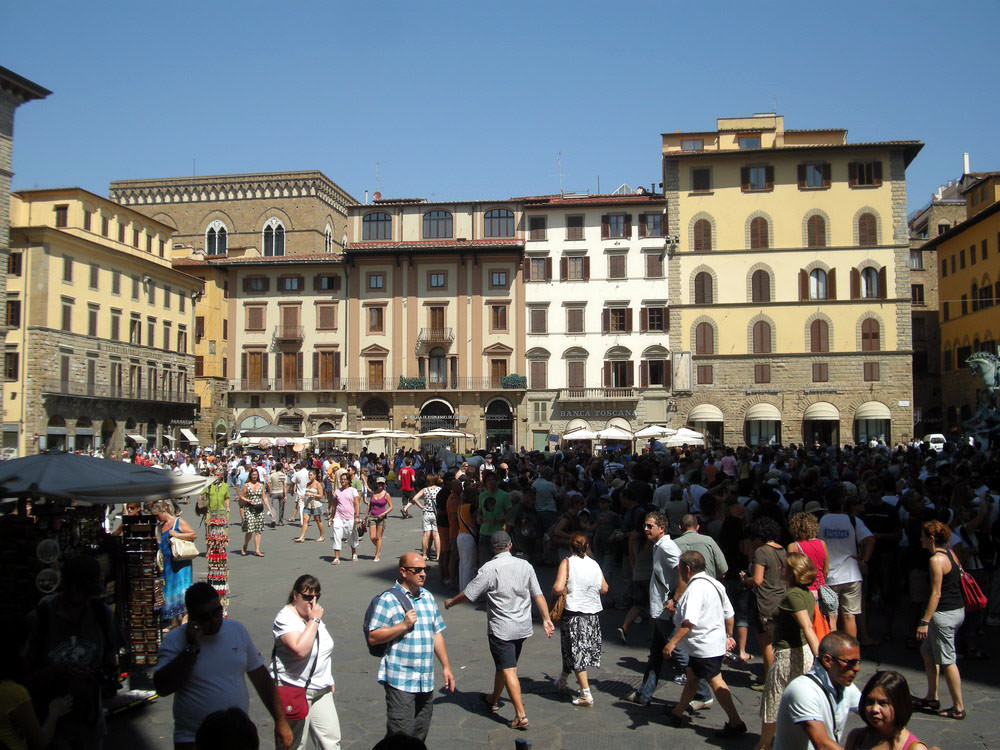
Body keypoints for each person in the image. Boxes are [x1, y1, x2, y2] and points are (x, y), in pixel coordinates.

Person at [154, 582, 293, 750]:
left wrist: (280, 720)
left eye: (217, 612)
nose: (214, 620)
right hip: (193, 740)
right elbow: (162, 687)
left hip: (236, 737)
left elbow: (261, 677)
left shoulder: (236, 631)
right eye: (206, 616)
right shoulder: (175, 641)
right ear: (191, 617)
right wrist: (191, 649)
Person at [445, 531, 554, 730]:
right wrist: (546, 618)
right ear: (510, 545)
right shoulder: (525, 565)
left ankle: (520, 715)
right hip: (522, 626)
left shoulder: (489, 568)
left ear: (492, 548)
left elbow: (469, 594)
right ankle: (493, 698)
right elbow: (538, 594)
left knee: (509, 668)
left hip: (501, 628)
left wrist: (452, 602)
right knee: (505, 665)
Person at [24, 556, 112, 750]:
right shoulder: (40, 619)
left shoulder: (100, 614)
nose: (83, 604)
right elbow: (21, 681)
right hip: (48, 726)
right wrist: (55, 671)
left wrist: (96, 675)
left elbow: (109, 667)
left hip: (89, 726)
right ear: (70, 588)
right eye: (81, 595)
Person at [366, 553, 456, 741]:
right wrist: (403, 626)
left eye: (425, 569)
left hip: (425, 679)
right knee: (400, 736)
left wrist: (446, 667)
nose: (423, 574)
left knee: (419, 734)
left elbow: (436, 633)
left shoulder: (428, 598)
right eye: (418, 570)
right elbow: (373, 636)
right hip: (401, 679)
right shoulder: (388, 600)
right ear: (403, 572)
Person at [662, 551, 747, 737]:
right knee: (692, 677)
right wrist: (728, 636)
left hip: (703, 646)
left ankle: (736, 722)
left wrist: (672, 643)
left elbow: (689, 622)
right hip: (709, 643)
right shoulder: (715, 584)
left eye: (680, 568)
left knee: (716, 681)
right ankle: (677, 712)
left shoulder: (695, 589)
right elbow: (729, 614)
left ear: (687, 569)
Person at [758, 553, 821, 750]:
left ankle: (764, 745)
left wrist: (821, 660)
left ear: (792, 572)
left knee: (773, 700)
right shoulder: (806, 593)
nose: (781, 570)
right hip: (800, 651)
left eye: (785, 567)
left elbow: (807, 627)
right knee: (795, 701)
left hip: (790, 654)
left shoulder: (793, 595)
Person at [271, 575, 340, 749]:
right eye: (307, 597)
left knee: (331, 741)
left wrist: (328, 678)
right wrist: (314, 620)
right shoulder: (285, 618)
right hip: (295, 687)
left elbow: (322, 649)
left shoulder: (310, 616)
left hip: (321, 688)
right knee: (293, 744)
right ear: (295, 595)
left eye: (317, 597)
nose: (313, 602)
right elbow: (300, 649)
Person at [773, 631, 862, 750]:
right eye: (850, 663)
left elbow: (869, 710)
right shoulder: (802, 690)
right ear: (828, 660)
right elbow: (822, 745)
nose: (857, 668)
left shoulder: (846, 687)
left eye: (858, 662)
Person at [913, 520, 966, 720]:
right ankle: (931, 696)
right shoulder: (951, 554)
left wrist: (924, 621)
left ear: (931, 539)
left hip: (944, 615)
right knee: (927, 651)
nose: (920, 539)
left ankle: (958, 707)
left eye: (923, 536)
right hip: (957, 610)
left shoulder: (936, 560)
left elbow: (935, 594)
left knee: (948, 660)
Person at [551, 532, 608, 707]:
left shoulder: (567, 562)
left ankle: (586, 693)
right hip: (591, 614)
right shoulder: (594, 564)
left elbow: (558, 587)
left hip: (574, 613)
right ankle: (563, 679)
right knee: (569, 649)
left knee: (577, 653)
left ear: (570, 547)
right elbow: (604, 588)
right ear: (587, 546)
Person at [820, 488, 874, 638]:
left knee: (831, 617)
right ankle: (852, 656)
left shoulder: (821, 521)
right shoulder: (853, 520)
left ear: (826, 503)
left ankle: (832, 654)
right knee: (850, 617)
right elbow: (869, 540)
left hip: (829, 576)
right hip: (851, 575)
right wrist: (864, 559)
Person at [845, 671, 928, 750]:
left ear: (899, 706)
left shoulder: (915, 748)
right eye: (870, 702)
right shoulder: (856, 739)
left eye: (883, 703)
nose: (874, 709)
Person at [150, 499, 197, 627]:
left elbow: (192, 534)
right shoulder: (160, 526)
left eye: (157, 514)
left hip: (180, 561)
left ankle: (186, 617)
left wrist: (176, 534)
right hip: (168, 562)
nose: (156, 517)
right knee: (170, 589)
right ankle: (174, 620)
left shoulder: (178, 521)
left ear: (163, 511)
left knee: (182, 588)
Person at [788, 511, 833, 636]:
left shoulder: (793, 546)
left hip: (803, 590)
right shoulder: (822, 543)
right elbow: (826, 570)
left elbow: (792, 572)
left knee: (806, 627)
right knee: (821, 623)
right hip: (820, 589)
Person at [476, 471, 512, 564]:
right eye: (488, 480)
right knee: (485, 563)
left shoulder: (505, 495)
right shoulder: (482, 495)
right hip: (484, 533)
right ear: (485, 483)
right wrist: (479, 518)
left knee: (500, 562)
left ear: (497, 481)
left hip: (499, 533)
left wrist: (501, 519)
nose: (491, 482)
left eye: (493, 479)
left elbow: (511, 514)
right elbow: (479, 512)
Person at [328, 472, 360, 565]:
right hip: (338, 517)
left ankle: (354, 553)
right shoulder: (337, 492)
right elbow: (334, 505)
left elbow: (357, 504)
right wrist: (332, 517)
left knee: (351, 536)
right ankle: (337, 558)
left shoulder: (353, 490)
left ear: (348, 481)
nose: (342, 481)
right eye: (341, 479)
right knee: (337, 536)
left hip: (350, 517)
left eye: (344, 479)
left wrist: (357, 516)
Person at [240, 468, 271, 556]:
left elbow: (264, 497)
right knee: (250, 529)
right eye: (253, 475)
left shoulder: (261, 485)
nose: (254, 476)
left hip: (259, 508)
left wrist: (269, 508)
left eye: (256, 475)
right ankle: (245, 545)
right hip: (249, 508)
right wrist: (249, 501)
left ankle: (257, 550)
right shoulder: (246, 485)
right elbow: (241, 496)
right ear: (250, 475)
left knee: (258, 530)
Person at [410, 474, 442, 561]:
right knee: (436, 534)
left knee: (426, 534)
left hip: (427, 513)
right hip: (436, 514)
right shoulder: (439, 489)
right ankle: (438, 555)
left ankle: (424, 554)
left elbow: (414, 498)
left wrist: (422, 507)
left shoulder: (425, 490)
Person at [455, 484, 479, 591]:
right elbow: (476, 521)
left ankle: (462, 588)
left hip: (460, 535)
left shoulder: (460, 506)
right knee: (469, 564)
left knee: (463, 563)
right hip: (469, 536)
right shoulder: (472, 507)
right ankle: (467, 591)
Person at [295, 469, 326, 544]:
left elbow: (321, 496)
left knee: (318, 520)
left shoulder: (318, 484)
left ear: (315, 476)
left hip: (316, 505)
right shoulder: (307, 484)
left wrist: (313, 495)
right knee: (305, 520)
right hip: (307, 504)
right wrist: (304, 495)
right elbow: (306, 493)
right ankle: (302, 537)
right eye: (309, 475)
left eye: (311, 475)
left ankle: (322, 536)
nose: (309, 476)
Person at [367, 476, 394, 562]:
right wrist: (366, 516)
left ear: (385, 484)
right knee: (372, 537)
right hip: (372, 516)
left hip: (381, 517)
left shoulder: (386, 495)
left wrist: (383, 514)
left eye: (382, 484)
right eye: (379, 483)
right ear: (377, 484)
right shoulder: (373, 493)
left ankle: (377, 554)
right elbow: (370, 505)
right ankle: (378, 547)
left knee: (378, 537)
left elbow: (391, 507)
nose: (380, 485)